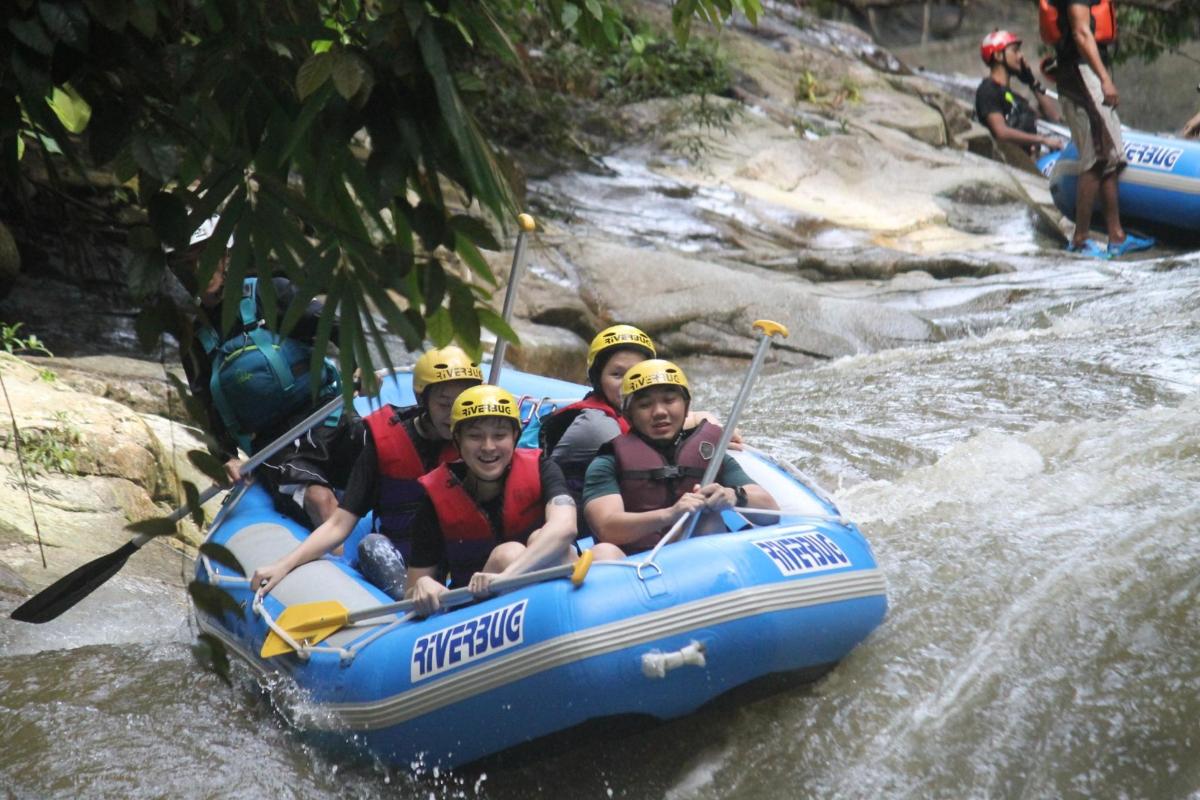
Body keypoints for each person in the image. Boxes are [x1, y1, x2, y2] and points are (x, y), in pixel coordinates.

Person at [250, 347, 482, 599]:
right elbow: (339, 524)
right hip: (401, 562)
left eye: (462, 402)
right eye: (444, 403)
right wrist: (283, 565)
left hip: (456, 562)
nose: (453, 414)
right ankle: (410, 603)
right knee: (371, 546)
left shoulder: (480, 443)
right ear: (422, 399)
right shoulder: (385, 443)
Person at [177, 217, 362, 528]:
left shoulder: (271, 293)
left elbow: (336, 324)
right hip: (276, 445)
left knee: (382, 455)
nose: (200, 269)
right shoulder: (195, 340)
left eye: (207, 257)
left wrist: (358, 368)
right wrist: (224, 460)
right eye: (188, 263)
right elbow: (206, 408)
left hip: (327, 416)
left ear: (227, 257)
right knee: (319, 499)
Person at [406, 385, 585, 615]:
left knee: (601, 552)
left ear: (515, 438)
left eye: (499, 436)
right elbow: (412, 592)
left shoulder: (542, 467)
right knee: (506, 554)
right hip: (473, 614)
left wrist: (506, 577)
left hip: (548, 593)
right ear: (457, 440)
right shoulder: (434, 497)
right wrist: (423, 585)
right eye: (475, 436)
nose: (488, 447)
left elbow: (564, 526)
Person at [539, 324, 739, 527]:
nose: (629, 384)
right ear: (598, 379)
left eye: (636, 373)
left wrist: (703, 422)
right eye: (617, 375)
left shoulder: (623, 412)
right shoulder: (596, 426)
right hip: (577, 517)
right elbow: (643, 436)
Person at [582, 359, 777, 557]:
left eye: (669, 400)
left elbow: (771, 511)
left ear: (686, 406)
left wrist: (734, 495)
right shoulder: (608, 461)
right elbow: (606, 527)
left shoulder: (709, 454)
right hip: (636, 568)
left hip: (694, 558)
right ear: (628, 414)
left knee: (706, 517)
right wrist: (670, 514)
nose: (659, 412)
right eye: (645, 404)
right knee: (603, 552)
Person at [1046, 0, 1155, 258]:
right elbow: (1081, 33)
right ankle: (1080, 239)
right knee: (1097, 157)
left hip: (1086, 73)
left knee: (1111, 156)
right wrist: (1105, 79)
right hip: (1082, 75)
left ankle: (1116, 237)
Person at [975, 30, 1064, 158]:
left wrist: (1031, 81)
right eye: (1015, 51)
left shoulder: (1014, 97)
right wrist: (1042, 140)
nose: (1021, 56)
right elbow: (1001, 132)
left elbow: (1053, 117)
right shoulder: (988, 90)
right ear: (998, 56)